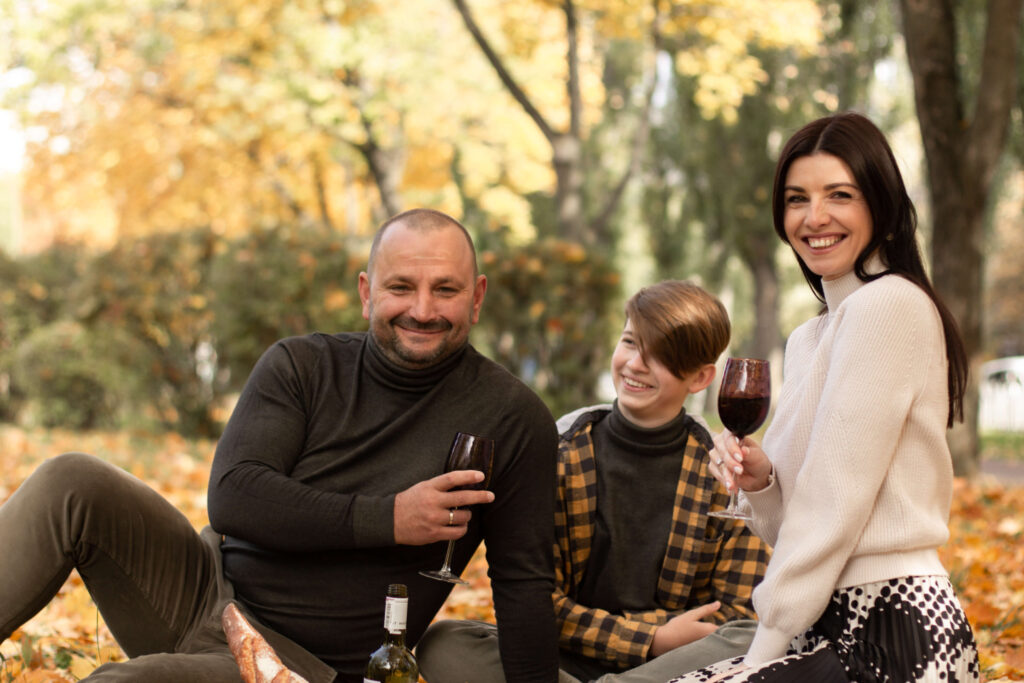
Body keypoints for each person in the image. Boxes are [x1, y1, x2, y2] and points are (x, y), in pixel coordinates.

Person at [0, 208, 561, 683]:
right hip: (201, 588)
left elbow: (524, 587)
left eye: (445, 289)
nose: (421, 308)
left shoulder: (513, 418)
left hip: (294, 663)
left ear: (477, 297)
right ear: (367, 293)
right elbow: (234, 497)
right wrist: (390, 518)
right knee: (71, 479)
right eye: (400, 287)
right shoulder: (303, 365)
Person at [667, 112, 979, 683]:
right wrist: (762, 481)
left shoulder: (890, 305)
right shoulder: (809, 337)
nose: (814, 218)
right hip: (822, 623)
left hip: (895, 623)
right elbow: (801, 521)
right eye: (796, 198)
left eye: (840, 194)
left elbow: (835, 507)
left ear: (880, 206)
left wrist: (764, 648)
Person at [417, 280, 770, 683]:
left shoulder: (723, 470)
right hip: (564, 660)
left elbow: (737, 614)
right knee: (444, 641)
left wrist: (665, 649)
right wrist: (652, 637)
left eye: (662, 355)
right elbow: (536, 601)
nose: (636, 364)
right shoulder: (558, 451)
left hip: (673, 670)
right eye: (631, 342)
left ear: (700, 378)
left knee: (750, 638)